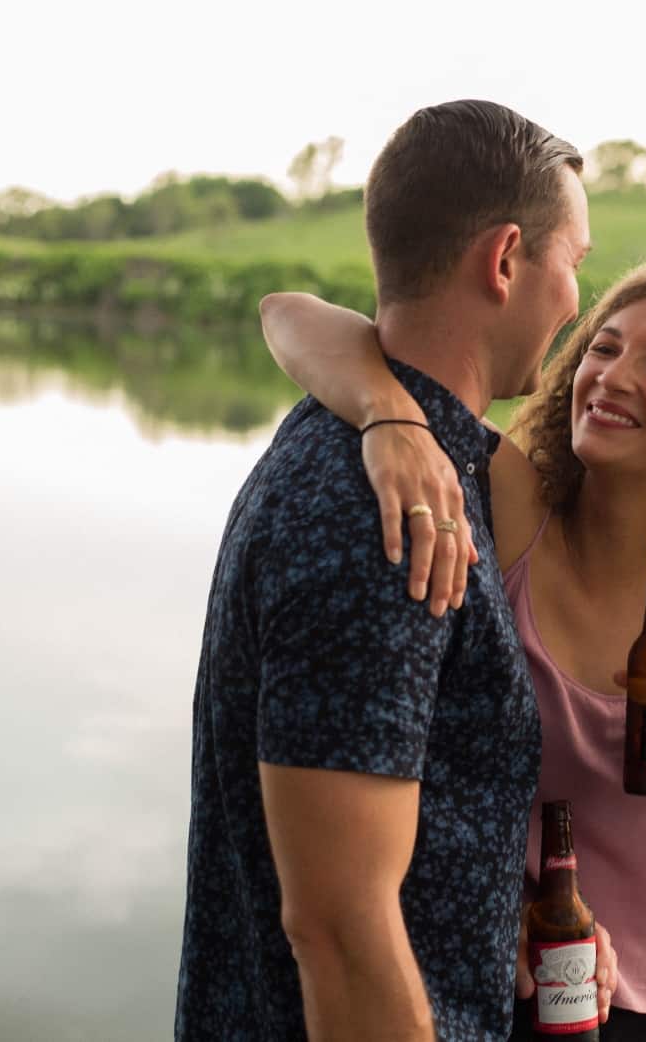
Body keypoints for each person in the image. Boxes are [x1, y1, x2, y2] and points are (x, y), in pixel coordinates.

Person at [260, 257, 646, 1040]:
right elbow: (288, 314)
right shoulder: (514, 511)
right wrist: (389, 417)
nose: (613, 377)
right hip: (515, 995)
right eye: (604, 347)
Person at [176, 99, 617, 1042]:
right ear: (505, 260)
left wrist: (493, 921)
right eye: (574, 264)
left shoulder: (408, 457)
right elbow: (338, 930)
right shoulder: (387, 522)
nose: (578, 302)